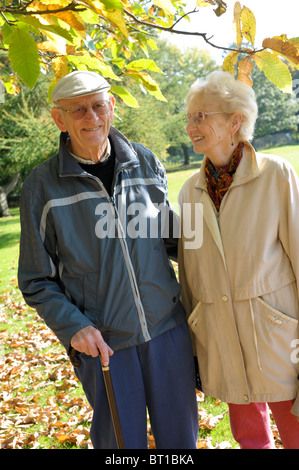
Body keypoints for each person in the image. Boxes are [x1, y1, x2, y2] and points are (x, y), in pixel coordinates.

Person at [18, 71, 199, 449]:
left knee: (180, 444)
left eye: (98, 105)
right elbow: (36, 278)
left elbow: (175, 239)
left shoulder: (144, 161)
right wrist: (74, 329)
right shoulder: (42, 185)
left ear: (111, 107)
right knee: (121, 446)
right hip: (103, 344)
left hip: (167, 330)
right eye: (78, 110)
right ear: (59, 119)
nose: (91, 117)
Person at [178, 70, 299, 449]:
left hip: (277, 334)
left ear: (235, 121)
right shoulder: (189, 192)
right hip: (221, 335)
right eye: (189, 117)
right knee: (249, 436)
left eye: (201, 116)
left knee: (295, 430)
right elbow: (190, 273)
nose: (190, 126)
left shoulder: (276, 175)